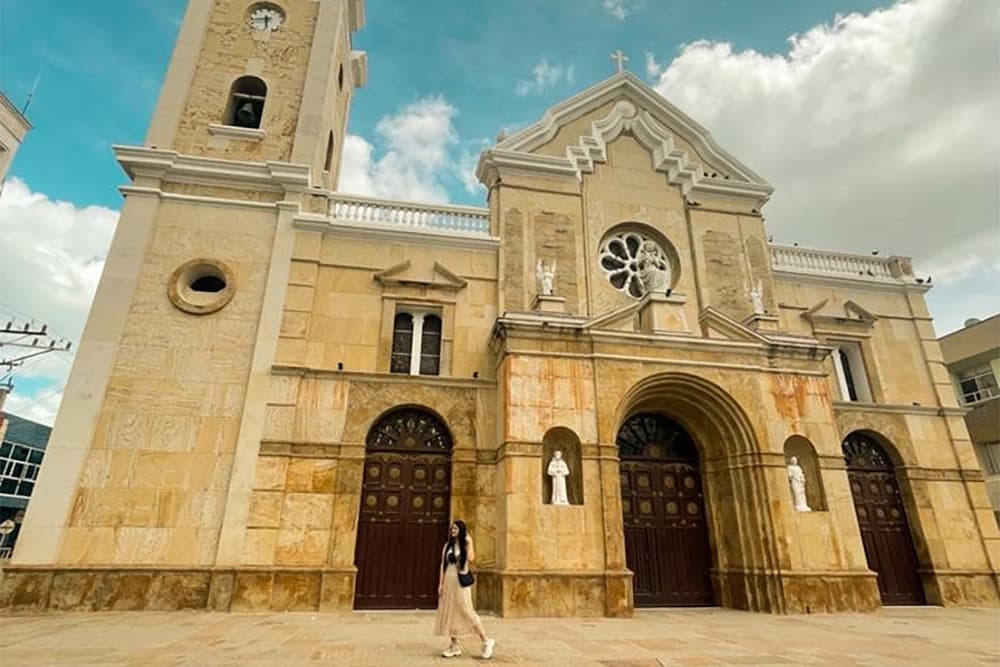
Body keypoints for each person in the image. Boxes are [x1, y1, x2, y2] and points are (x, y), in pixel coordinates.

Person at [435, 520, 495, 659]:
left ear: (461, 530)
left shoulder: (464, 545)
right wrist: (441, 584)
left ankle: (486, 640)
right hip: (449, 582)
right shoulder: (448, 546)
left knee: (467, 610)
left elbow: (471, 558)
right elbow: (443, 565)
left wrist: (470, 542)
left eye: (455, 529)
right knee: (451, 611)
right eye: (452, 529)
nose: (453, 531)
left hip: (460, 583)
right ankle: (454, 645)